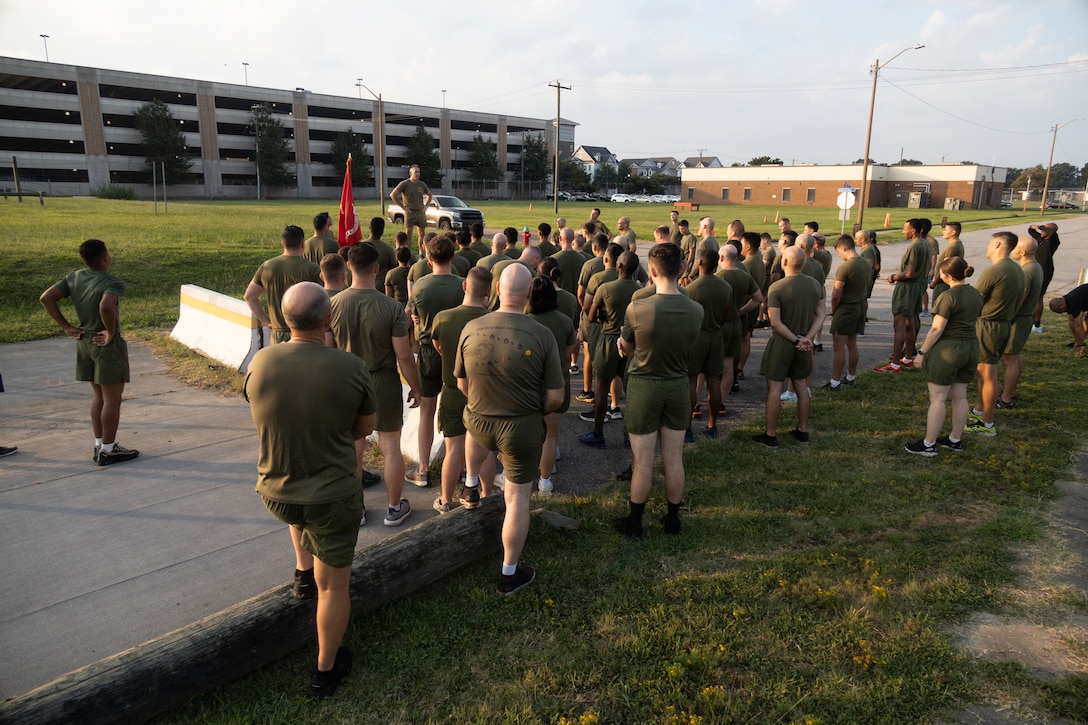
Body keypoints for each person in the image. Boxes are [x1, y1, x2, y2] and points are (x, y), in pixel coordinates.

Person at [244, 281, 376, 698]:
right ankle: (325, 670)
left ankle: (303, 572)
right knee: (334, 585)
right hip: (332, 496)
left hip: (275, 491)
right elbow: (364, 429)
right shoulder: (351, 367)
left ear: (284, 319)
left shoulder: (260, 362)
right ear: (327, 319)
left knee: (300, 516)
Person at [455, 263, 565, 595]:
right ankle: (508, 573)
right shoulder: (542, 334)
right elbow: (556, 396)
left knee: (473, 423)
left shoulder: (471, 327)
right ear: (529, 294)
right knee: (517, 499)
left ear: (498, 290)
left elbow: (461, 383)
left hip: (479, 420)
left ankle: (471, 485)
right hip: (521, 427)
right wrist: (535, 411)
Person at [330, 242, 422, 526]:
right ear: (377, 268)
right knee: (391, 447)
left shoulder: (333, 304)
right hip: (382, 381)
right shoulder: (392, 308)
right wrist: (415, 387)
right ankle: (394, 508)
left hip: (347, 380)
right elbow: (404, 355)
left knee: (354, 448)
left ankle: (357, 508)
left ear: (348, 266)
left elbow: (327, 350)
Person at [614, 242, 702, 538]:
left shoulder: (637, 307)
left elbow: (626, 347)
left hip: (644, 386)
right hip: (677, 385)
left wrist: (623, 345)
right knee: (674, 458)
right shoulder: (696, 309)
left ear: (651, 271)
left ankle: (635, 522)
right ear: (681, 269)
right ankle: (672, 520)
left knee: (642, 462)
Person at [40, 238, 139, 466]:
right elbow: (105, 306)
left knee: (99, 397)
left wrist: (66, 326)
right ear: (105, 258)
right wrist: (111, 332)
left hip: (84, 340)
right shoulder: (112, 282)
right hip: (105, 344)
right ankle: (109, 450)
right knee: (112, 399)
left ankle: (99, 445)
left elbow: (46, 298)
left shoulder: (74, 277)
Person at [431, 267, 496, 512]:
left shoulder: (443, 318)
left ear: (464, 286)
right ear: (489, 292)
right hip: (483, 393)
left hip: (451, 389)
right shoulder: (493, 320)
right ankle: (488, 495)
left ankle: (445, 500)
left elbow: (438, 346)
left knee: (454, 448)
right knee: (485, 449)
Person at [905, 258, 982, 456]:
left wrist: (921, 353)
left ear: (946, 275)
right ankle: (955, 439)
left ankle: (929, 444)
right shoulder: (975, 293)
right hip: (971, 347)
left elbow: (938, 328)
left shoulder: (948, 297)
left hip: (949, 349)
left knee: (938, 398)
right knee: (960, 395)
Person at [406, 234, 466, 486]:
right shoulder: (463, 284)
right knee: (463, 410)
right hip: (458, 353)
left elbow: (410, 314)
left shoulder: (419, 285)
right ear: (453, 256)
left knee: (426, 410)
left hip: (429, 351)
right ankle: (463, 468)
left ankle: (423, 469)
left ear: (429, 259)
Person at [752, 246, 825, 448]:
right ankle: (802, 432)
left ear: (784, 262)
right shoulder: (815, 285)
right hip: (804, 341)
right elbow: (821, 315)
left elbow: (775, 322)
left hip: (784, 343)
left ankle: (770, 435)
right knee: (802, 386)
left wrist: (795, 340)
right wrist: (807, 339)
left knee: (775, 388)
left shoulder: (777, 287)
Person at [966, 231, 1026, 436]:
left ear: (999, 244)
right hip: (1003, 324)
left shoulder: (995, 270)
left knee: (988, 374)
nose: (987, 247)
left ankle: (987, 423)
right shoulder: (1016, 269)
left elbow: (975, 299)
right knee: (983, 372)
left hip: (988, 326)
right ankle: (979, 409)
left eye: (990, 243)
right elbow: (1021, 298)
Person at [579, 249, 640, 448]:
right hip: (630, 341)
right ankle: (627, 435)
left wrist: (602, 317)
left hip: (608, 339)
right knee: (630, 390)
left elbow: (591, 315)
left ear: (618, 266)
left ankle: (598, 434)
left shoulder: (605, 288)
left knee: (602, 387)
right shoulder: (639, 290)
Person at [528, 275, 577, 494]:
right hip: (557, 383)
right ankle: (545, 481)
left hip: (529, 385)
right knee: (550, 436)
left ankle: (524, 475)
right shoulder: (565, 321)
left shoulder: (525, 320)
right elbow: (567, 356)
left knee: (527, 434)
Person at [244, 225, 321, 344]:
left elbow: (249, 297)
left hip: (277, 333)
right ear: (302, 244)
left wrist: (266, 320)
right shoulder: (312, 269)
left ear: (283, 243)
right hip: (305, 335)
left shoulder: (267, 267)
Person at [874, 219, 931, 373]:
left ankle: (894, 364)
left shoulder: (914, 246)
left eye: (905, 229)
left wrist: (894, 277)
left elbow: (909, 273)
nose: (903, 231)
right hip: (918, 286)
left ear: (913, 231)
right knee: (910, 322)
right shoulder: (926, 243)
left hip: (907, 289)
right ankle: (907, 358)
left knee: (899, 325)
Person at [686, 249, 731, 438]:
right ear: (716, 264)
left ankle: (687, 427)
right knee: (714, 380)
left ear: (699, 263)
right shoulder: (725, 287)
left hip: (697, 335)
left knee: (691, 380)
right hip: (715, 334)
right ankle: (712, 425)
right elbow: (725, 315)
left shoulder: (691, 289)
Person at [998, 237, 1043, 408]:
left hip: (1019, 319)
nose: (1012, 251)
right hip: (1025, 318)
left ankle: (1006, 398)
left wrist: (1008, 314)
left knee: (1009, 357)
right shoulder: (1035, 266)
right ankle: (1012, 391)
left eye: (1016, 248)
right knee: (1014, 357)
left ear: (1023, 252)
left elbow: (1021, 294)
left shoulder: (1026, 271)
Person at [716, 244, 761, 404]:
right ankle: (722, 402)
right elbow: (758, 298)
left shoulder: (718, 277)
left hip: (719, 325)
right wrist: (740, 311)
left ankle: (710, 402)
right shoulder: (745, 276)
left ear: (721, 258)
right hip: (736, 323)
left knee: (712, 367)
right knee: (729, 365)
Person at [824, 234, 869, 390]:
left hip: (846, 308)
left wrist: (833, 309)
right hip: (860, 306)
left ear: (843, 248)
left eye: (839, 252)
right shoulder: (865, 263)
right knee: (852, 344)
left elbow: (836, 293)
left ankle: (835, 382)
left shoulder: (845, 266)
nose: (840, 256)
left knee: (839, 346)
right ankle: (851, 376)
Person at [737, 232, 767, 379]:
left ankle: (737, 368)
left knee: (742, 338)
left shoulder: (746, 264)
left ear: (748, 247)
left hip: (745, 305)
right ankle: (740, 368)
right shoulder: (759, 261)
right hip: (754, 306)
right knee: (747, 337)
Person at [390, 164, 433, 255]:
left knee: (421, 234)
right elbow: (393, 195)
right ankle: (408, 253)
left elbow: (429, 194)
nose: (417, 174)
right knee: (408, 234)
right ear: (410, 173)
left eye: (418, 172)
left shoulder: (422, 184)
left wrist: (426, 206)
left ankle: (421, 253)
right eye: (415, 172)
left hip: (420, 212)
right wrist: (403, 207)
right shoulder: (405, 184)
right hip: (410, 213)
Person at [1029, 222, 1061, 332]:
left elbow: (1049, 231)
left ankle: (1036, 324)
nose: (1042, 232)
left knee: (1038, 297)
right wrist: (1033, 227)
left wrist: (1040, 227)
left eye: (1044, 230)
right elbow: (1031, 231)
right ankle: (1028, 320)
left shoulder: (1053, 241)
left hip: (1045, 270)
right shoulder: (1040, 238)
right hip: (1033, 268)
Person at [930, 221, 965, 305]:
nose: (943, 232)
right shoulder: (957, 244)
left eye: (946, 230)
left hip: (943, 283)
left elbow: (946, 268)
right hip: (945, 282)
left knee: (938, 307)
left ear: (953, 232)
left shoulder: (953, 247)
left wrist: (934, 283)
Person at [1048, 283, 1088, 355]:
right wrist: (1077, 341)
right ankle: (1080, 342)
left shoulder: (1073, 302)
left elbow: (1079, 325)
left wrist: (1080, 344)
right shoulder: (1067, 301)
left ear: (1061, 305)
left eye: (1060, 312)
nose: (1063, 312)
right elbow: (1072, 322)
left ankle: (1081, 345)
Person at [362, 217, 397, 289]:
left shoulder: (358, 247)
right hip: (381, 286)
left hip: (361, 284)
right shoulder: (388, 250)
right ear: (382, 231)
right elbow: (393, 270)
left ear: (369, 228)